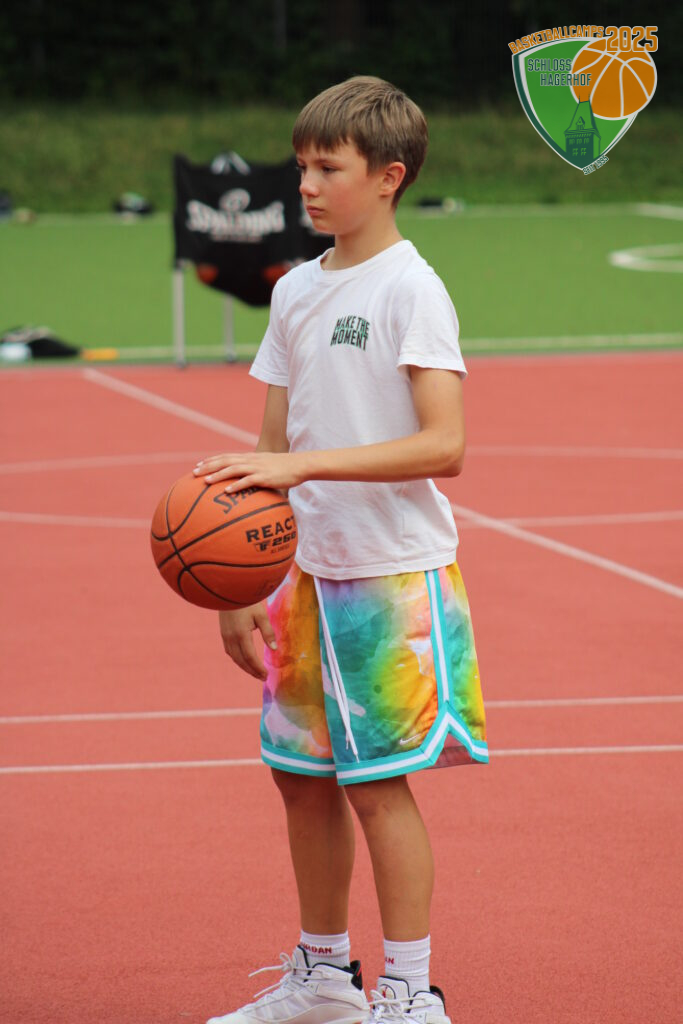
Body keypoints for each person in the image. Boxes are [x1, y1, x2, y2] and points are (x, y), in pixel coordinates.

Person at [195, 75, 488, 1024]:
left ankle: (409, 992)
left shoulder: (411, 287)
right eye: (302, 167)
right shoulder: (295, 290)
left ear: (388, 176)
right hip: (304, 575)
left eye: (328, 167)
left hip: (389, 575)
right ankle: (324, 979)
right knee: (298, 778)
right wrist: (239, 582)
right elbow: (270, 448)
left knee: (376, 789)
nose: (306, 185)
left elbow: (444, 444)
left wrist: (301, 467)